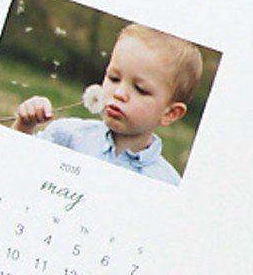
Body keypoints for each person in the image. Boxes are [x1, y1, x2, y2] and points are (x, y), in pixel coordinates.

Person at [12, 24, 204, 186]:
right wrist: (25, 125)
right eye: (114, 78)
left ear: (170, 113)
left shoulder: (166, 183)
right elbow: (16, 166)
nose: (118, 93)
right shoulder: (68, 136)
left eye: (140, 89)